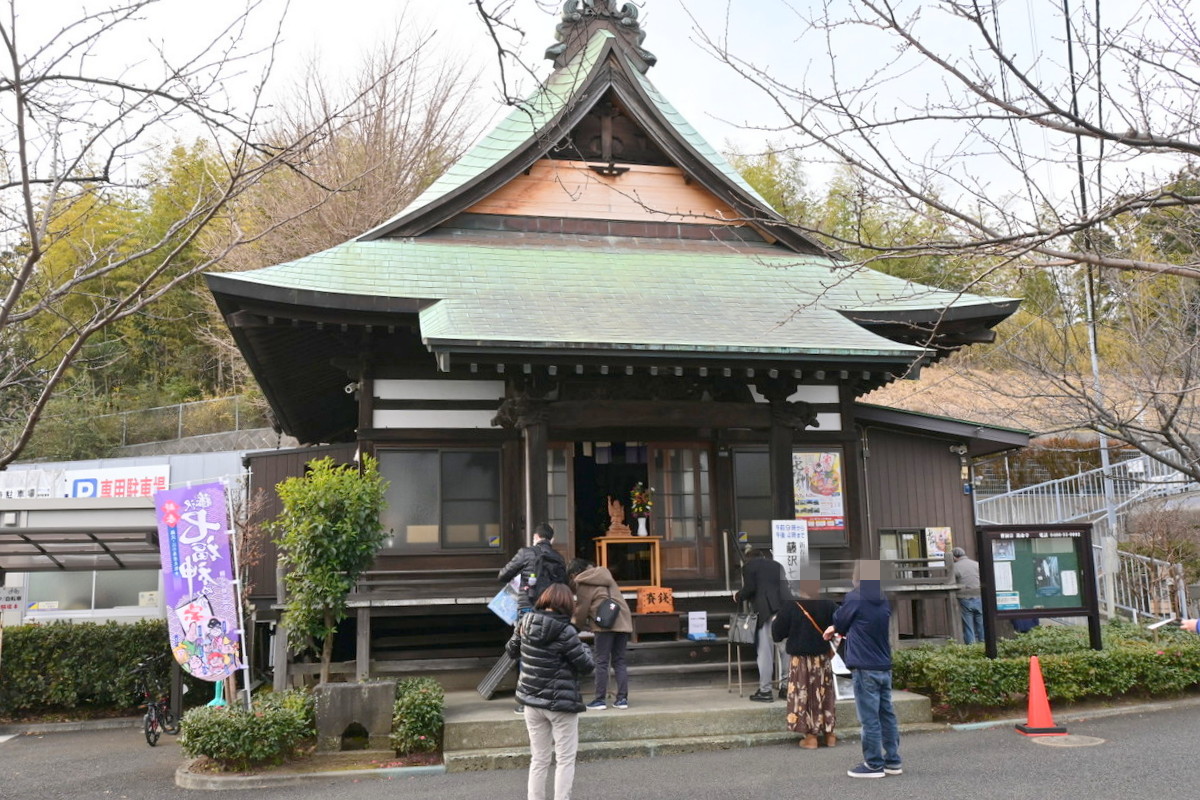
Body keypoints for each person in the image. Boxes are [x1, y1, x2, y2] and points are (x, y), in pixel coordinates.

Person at [505, 582, 595, 800]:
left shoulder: (525, 621)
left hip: (532, 702)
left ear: (544, 600)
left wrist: (520, 634)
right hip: (561, 704)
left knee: (539, 758)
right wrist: (583, 646)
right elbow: (586, 666)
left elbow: (511, 651)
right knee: (564, 759)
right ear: (566, 604)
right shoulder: (566, 631)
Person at [824, 560, 901, 779]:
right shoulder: (883, 598)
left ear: (857, 577)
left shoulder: (855, 597)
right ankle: (893, 761)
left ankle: (874, 764)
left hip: (864, 667)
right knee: (887, 715)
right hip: (884, 665)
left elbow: (840, 620)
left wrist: (834, 627)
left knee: (869, 718)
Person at [500, 523, 568, 712]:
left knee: (526, 652)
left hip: (528, 608)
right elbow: (564, 584)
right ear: (551, 539)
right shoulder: (559, 558)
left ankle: (526, 703)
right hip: (551, 610)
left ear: (536, 537)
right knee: (549, 651)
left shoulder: (526, 552)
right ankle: (548, 698)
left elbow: (503, 575)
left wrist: (521, 577)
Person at [772, 577, 838, 749]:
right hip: (822, 659)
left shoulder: (791, 606)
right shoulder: (828, 604)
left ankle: (811, 737)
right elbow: (841, 624)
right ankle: (829, 734)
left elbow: (777, 634)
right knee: (824, 693)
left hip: (801, 661)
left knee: (805, 695)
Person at [567, 558, 633, 709]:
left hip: (604, 624)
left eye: (571, 576)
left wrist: (575, 626)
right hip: (623, 620)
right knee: (620, 661)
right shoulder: (605, 574)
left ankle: (600, 700)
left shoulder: (583, 582)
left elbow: (582, 610)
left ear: (576, 573)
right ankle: (622, 699)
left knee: (602, 661)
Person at [734, 545, 785, 702]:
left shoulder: (749, 566)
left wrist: (738, 596)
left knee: (765, 652)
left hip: (765, 612)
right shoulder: (777, 565)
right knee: (785, 651)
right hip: (784, 610)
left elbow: (750, 588)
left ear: (748, 558)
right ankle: (787, 688)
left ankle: (766, 691)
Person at [952, 546, 985, 644]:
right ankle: (983, 643)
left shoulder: (955, 567)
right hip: (979, 596)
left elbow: (951, 581)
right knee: (981, 623)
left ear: (954, 557)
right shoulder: (976, 564)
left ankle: (971, 646)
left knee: (968, 625)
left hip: (965, 598)